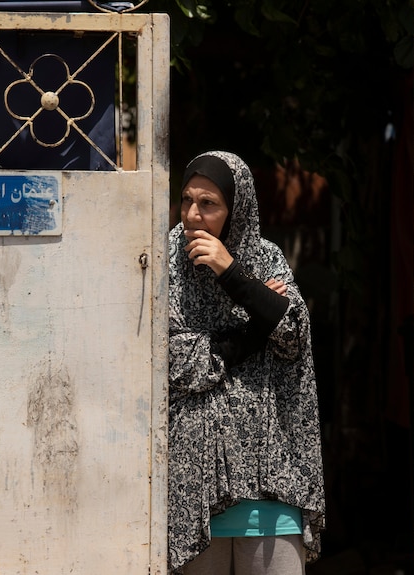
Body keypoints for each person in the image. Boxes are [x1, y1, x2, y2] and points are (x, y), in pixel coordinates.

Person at [168, 151, 326, 575]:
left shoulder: (266, 258)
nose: (193, 216)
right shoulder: (168, 263)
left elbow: (293, 336)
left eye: (209, 204)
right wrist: (259, 323)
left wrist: (231, 273)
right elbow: (176, 363)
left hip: (271, 491)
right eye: (187, 200)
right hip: (196, 495)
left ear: (236, 210)